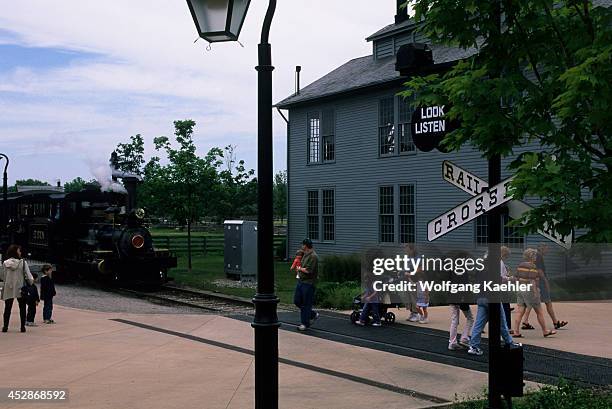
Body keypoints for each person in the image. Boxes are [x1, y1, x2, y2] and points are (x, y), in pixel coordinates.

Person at [520, 244, 567, 331]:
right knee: (548, 302)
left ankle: (525, 321)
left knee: (530, 303)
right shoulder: (539, 256)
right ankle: (555, 322)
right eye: (546, 249)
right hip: (539, 282)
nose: (547, 251)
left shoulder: (532, 258)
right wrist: (546, 282)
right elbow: (540, 271)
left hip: (531, 282)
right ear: (542, 248)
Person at [511, 248, 556, 338]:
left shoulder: (520, 265)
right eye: (535, 255)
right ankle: (545, 331)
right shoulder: (533, 266)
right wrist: (535, 292)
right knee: (539, 311)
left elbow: (516, 277)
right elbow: (532, 280)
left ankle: (516, 331)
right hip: (529, 291)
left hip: (520, 290)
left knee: (520, 311)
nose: (536, 257)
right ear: (531, 257)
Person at [1, 245, 34, 333]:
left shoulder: (5, 263)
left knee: (7, 308)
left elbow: (2, 276)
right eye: (19, 250)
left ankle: (5, 326)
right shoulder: (23, 263)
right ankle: (22, 327)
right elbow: (28, 275)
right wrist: (31, 282)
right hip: (21, 288)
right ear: (15, 252)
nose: (20, 252)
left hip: (9, 287)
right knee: (22, 308)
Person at [293, 239, 319, 331]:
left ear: (306, 245)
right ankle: (312, 314)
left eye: (302, 245)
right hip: (301, 281)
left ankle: (304, 323)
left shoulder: (313, 256)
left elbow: (308, 270)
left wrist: (299, 269)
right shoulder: (304, 254)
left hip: (308, 283)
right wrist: (299, 269)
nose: (301, 246)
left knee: (306, 304)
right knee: (297, 301)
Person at [403, 244, 421, 322]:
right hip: (407, 279)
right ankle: (412, 313)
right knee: (408, 297)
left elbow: (420, 268)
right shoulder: (408, 257)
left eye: (407, 250)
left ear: (412, 249)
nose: (406, 251)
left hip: (414, 279)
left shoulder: (417, 257)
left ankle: (416, 314)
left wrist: (411, 274)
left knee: (414, 296)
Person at [500, 246, 513, 329]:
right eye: (506, 256)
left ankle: (506, 326)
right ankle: (507, 326)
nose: (506, 258)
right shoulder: (500, 262)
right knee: (506, 307)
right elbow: (500, 277)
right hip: (501, 288)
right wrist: (509, 278)